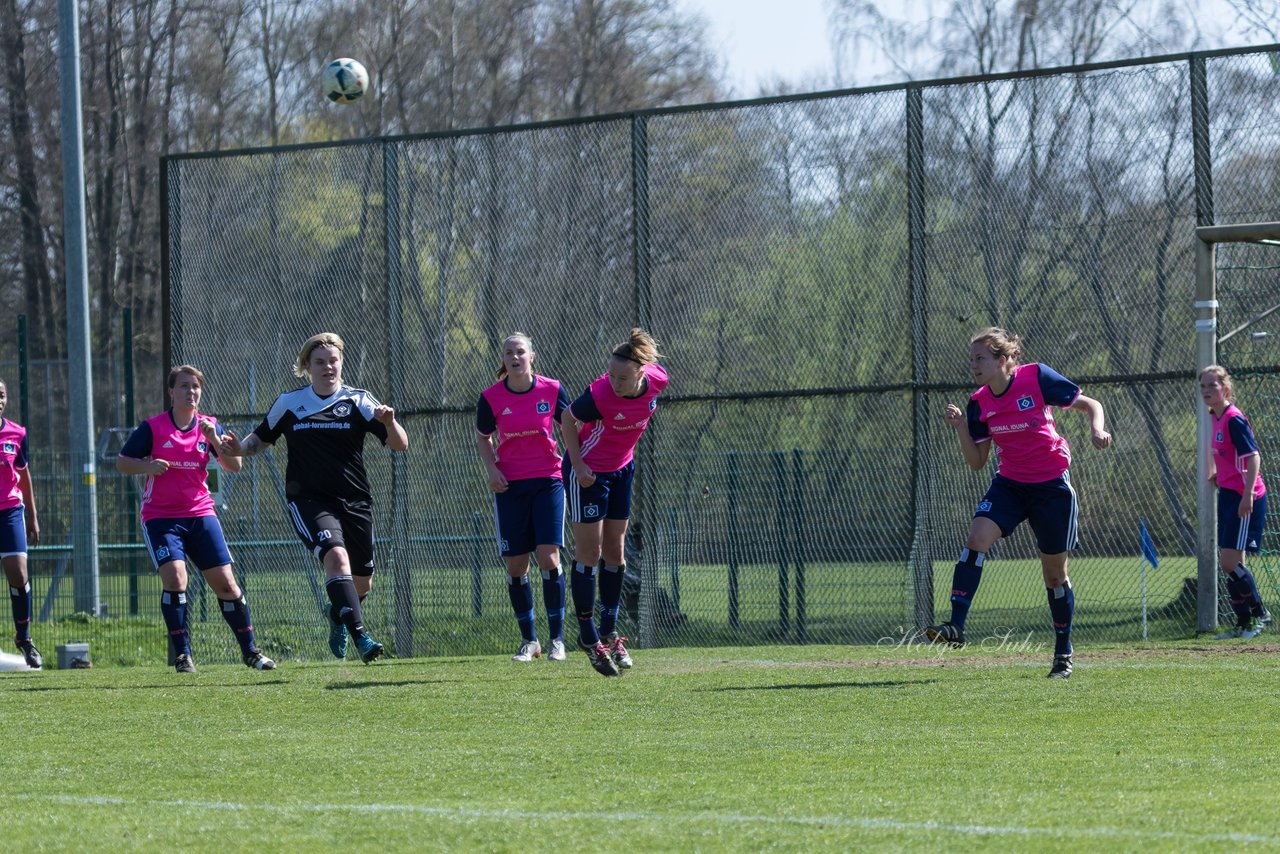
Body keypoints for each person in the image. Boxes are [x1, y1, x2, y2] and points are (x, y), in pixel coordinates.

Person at [927, 327, 1111, 679]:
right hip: (1009, 484)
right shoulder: (979, 401)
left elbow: (1091, 404)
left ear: (1003, 359)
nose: (974, 365)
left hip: (1052, 488)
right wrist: (962, 428)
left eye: (981, 358)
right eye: (971, 359)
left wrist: (1096, 429)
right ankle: (956, 626)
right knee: (976, 538)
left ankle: (1062, 654)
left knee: (1055, 575)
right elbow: (978, 461)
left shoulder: (1036, 377)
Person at [216, 333, 408, 664]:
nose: (328, 367)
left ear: (341, 363)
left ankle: (339, 615)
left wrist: (390, 423)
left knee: (362, 583)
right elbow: (260, 439)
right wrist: (239, 449)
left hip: (356, 501)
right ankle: (361, 636)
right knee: (336, 558)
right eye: (320, 362)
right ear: (307, 366)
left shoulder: (359, 401)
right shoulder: (290, 403)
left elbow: (400, 444)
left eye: (333, 360)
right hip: (309, 500)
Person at [117, 366, 275, 673]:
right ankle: (183, 655)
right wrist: (147, 467)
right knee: (176, 578)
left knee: (227, 585)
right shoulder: (153, 428)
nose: (191, 392)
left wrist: (216, 439)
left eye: (195, 387)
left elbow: (234, 466)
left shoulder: (209, 426)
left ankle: (251, 652)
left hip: (201, 515)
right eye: (184, 386)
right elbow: (123, 463)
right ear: (171, 392)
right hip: (161, 518)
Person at [560, 328, 668, 677]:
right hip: (588, 472)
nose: (615, 382)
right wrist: (577, 465)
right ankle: (589, 637)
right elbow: (566, 419)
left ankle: (609, 630)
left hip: (622, 469)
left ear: (641, 373)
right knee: (588, 554)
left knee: (615, 554)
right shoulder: (600, 394)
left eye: (622, 377)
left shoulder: (657, 380)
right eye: (611, 375)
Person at [475, 332, 571, 663]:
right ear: (502, 360)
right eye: (508, 353)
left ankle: (557, 639)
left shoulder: (552, 389)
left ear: (532, 356)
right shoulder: (490, 397)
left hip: (548, 481)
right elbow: (483, 437)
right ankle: (530, 640)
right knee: (517, 566)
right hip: (510, 487)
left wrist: (577, 463)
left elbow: (570, 428)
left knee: (549, 558)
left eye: (520, 352)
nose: (514, 358)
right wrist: (492, 469)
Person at [1201, 365, 1272, 638]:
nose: (1207, 391)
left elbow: (1253, 457)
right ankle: (1243, 623)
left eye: (1213, 386)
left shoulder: (1233, 418)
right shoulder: (1214, 416)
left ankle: (1260, 612)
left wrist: (1247, 495)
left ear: (1226, 389)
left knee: (1230, 563)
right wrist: (1220, 473)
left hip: (1246, 496)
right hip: (1231, 494)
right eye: (1203, 386)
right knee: (1231, 563)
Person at [0, 378, 42, 670]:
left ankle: (24, 638)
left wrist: (33, 517)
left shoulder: (17, 433)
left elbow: (24, 476)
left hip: (10, 511)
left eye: (1, 394)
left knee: (18, 571)